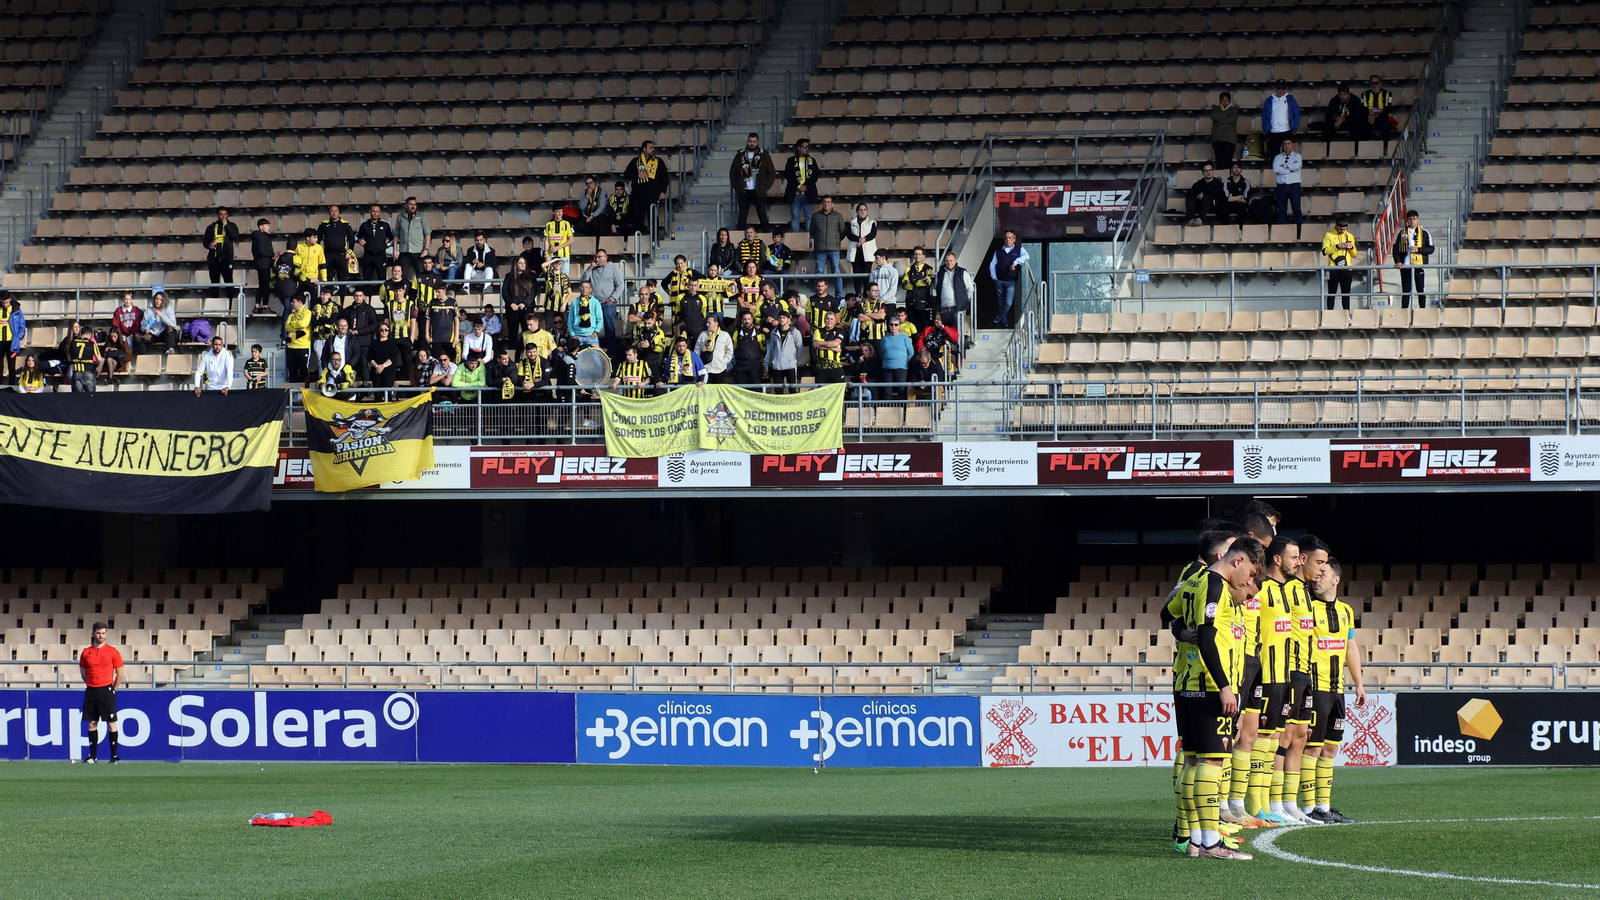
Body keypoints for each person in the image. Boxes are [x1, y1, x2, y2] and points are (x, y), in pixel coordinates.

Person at [1172, 539, 1262, 860]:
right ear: (1237, 560)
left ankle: (1195, 838)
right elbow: (1208, 637)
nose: (1248, 583)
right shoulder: (1213, 585)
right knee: (1211, 762)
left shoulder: (1194, 582)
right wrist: (1225, 685)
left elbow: (1168, 612)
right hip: (1209, 686)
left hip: (1188, 683)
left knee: (1194, 761)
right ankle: (1211, 842)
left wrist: (1182, 632)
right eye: (1249, 574)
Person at [1239, 535, 1298, 827]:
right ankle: (1254, 806)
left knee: (1272, 741)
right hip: (1263, 673)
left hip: (1283, 675)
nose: (1297, 562)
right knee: (1257, 739)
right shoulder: (1259, 590)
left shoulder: (1288, 591)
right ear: (1278, 559)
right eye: (1293, 556)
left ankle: (1264, 808)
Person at [1303, 557, 1363, 825]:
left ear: (1336, 580)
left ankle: (1323, 807)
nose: (1317, 578)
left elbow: (1351, 648)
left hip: (1338, 690)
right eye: (1316, 573)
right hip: (1315, 688)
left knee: (1329, 750)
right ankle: (1306, 808)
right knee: (1311, 749)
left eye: (1323, 573)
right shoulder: (1306, 608)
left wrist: (1359, 683)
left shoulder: (1346, 611)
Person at [78, 623, 123, 764]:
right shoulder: (86, 652)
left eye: (103, 633)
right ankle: (93, 756)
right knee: (92, 723)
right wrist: (92, 684)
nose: (101, 636)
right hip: (91, 691)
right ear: (93, 633)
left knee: (111, 723)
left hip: (106, 690)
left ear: (106, 634)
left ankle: (114, 757)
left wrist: (113, 688)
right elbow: (83, 673)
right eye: (98, 633)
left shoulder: (112, 652)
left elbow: (120, 673)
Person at [730, 132, 775, 229]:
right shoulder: (740, 155)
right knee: (742, 216)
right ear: (747, 142)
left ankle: (767, 237)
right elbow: (732, 173)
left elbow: (771, 173)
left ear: (757, 142)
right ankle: (740, 239)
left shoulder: (764, 155)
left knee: (762, 215)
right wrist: (737, 187)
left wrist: (765, 187)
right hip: (744, 190)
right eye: (750, 141)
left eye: (754, 142)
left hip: (759, 191)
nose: (752, 143)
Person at [623, 140, 670, 234]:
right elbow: (626, 175)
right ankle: (639, 241)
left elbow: (665, 178)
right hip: (637, 195)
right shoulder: (636, 161)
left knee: (653, 218)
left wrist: (663, 191)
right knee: (637, 218)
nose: (653, 150)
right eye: (650, 148)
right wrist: (637, 175)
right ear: (644, 149)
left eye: (653, 148)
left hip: (652, 194)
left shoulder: (658, 161)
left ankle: (654, 242)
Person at [1391, 210, 1434, 309]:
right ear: (1407, 220)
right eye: (1410, 219)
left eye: (1414, 219)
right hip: (1406, 266)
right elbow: (1396, 249)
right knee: (1406, 291)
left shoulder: (1424, 233)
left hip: (1419, 265)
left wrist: (1419, 250)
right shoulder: (1402, 233)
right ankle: (1404, 313)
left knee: (1420, 290)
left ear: (1417, 219)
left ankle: (1422, 311)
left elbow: (1431, 249)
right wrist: (1398, 261)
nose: (1412, 221)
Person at [583, 249, 625, 347]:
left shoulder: (614, 268)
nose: (597, 259)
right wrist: (590, 268)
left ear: (605, 257)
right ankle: (591, 348)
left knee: (609, 328)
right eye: (595, 257)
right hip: (593, 303)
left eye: (599, 257)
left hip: (607, 303)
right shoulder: (593, 268)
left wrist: (612, 299)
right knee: (591, 327)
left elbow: (620, 286)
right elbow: (584, 280)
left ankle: (611, 352)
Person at [808, 195, 846, 298]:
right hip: (820, 250)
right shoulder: (816, 216)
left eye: (829, 202)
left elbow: (843, 232)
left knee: (837, 273)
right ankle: (817, 296)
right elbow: (812, 231)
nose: (826, 204)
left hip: (834, 249)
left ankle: (838, 296)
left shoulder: (838, 216)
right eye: (825, 202)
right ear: (822, 203)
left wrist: (836, 241)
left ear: (832, 204)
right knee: (818, 274)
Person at [986, 235, 1024, 327]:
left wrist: (1016, 262)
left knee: (1008, 303)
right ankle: (1005, 322)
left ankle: (999, 317)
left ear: (1014, 239)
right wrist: (994, 276)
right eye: (1006, 238)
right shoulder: (998, 252)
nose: (1008, 239)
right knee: (1001, 303)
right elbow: (992, 264)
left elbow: (1026, 256)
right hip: (999, 281)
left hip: (1011, 282)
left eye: (1010, 238)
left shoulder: (1019, 250)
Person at [1321, 218, 1359, 310]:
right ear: (1336, 226)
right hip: (1334, 268)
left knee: (1346, 294)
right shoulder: (1328, 235)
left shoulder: (1349, 236)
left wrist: (1351, 247)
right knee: (1332, 293)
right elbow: (1325, 251)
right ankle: (1329, 314)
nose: (1343, 231)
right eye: (1341, 229)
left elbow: (1354, 255)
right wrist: (1337, 246)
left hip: (1347, 268)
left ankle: (1346, 315)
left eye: (1345, 229)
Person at [201, 206, 241, 289]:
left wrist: (227, 225)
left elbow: (234, 236)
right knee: (214, 283)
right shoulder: (211, 227)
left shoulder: (232, 226)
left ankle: (230, 301)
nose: (223, 217)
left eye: (225, 214)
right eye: (221, 214)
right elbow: (205, 241)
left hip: (226, 259)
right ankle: (215, 300)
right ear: (217, 215)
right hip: (213, 259)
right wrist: (209, 245)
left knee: (229, 282)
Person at [1261, 79, 1301, 162]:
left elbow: (1296, 113)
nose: (1281, 90)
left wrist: (1295, 127)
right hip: (1273, 131)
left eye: (1283, 88)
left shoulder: (1290, 99)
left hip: (1286, 130)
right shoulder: (1269, 100)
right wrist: (1265, 129)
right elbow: (1264, 116)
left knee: (1287, 156)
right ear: (1275, 88)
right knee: (1273, 157)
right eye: (1279, 88)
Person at [317, 204, 358, 283]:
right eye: (332, 211)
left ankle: (343, 295)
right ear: (329, 212)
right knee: (328, 277)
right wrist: (320, 253)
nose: (334, 213)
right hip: (328, 255)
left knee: (342, 278)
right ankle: (328, 295)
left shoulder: (345, 224)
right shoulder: (323, 224)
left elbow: (351, 239)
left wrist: (349, 252)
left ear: (339, 212)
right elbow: (318, 239)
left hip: (341, 255)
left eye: (336, 211)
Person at [393, 196, 432, 278]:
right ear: (406, 205)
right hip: (404, 251)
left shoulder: (422, 217)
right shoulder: (400, 217)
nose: (413, 206)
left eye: (415, 204)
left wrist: (426, 249)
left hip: (418, 251)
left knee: (421, 275)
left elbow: (427, 234)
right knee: (404, 276)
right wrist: (395, 250)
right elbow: (396, 234)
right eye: (411, 204)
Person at [356, 203, 396, 282]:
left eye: (377, 211)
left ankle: (382, 294)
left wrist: (386, 245)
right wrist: (359, 240)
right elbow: (356, 236)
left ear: (380, 212)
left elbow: (393, 239)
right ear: (370, 212)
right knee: (367, 279)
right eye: (373, 211)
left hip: (381, 255)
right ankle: (367, 294)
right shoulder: (364, 225)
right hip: (368, 255)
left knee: (382, 279)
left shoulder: (385, 224)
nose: (375, 213)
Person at [764, 311, 803, 392]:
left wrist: (794, 360)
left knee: (792, 390)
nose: (782, 320)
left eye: (784, 318)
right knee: (778, 391)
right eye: (780, 318)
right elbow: (772, 348)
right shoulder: (774, 332)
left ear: (789, 319)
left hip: (790, 366)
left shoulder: (795, 332)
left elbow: (800, 348)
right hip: (777, 367)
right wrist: (775, 360)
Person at [932, 250, 971, 331]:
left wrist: (963, 301)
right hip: (944, 308)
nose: (949, 263)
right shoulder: (940, 273)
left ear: (956, 261)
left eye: (951, 260)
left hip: (957, 308)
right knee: (944, 331)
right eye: (947, 261)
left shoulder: (962, 272)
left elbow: (970, 289)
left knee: (958, 331)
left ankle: (958, 344)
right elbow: (937, 288)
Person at [879, 311, 914, 400]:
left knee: (901, 390)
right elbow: (882, 351)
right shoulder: (885, 338)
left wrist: (904, 360)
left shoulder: (904, 337)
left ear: (899, 326)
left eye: (896, 324)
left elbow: (911, 351)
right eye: (891, 324)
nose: (893, 326)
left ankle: (902, 411)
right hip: (887, 367)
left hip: (901, 367)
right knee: (887, 391)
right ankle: (886, 411)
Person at [344, 289, 379, 379]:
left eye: (360, 296)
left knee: (364, 363)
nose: (358, 298)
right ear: (353, 297)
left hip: (364, 342)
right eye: (356, 296)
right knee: (352, 363)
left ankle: (366, 386)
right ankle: (352, 384)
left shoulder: (369, 309)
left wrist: (359, 331)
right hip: (351, 341)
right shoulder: (348, 310)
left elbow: (374, 325)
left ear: (363, 297)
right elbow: (342, 322)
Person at [1319, 84, 1367, 149]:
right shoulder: (1334, 100)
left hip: (1350, 122)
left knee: (1358, 126)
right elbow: (1328, 114)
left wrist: (1344, 119)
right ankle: (1326, 149)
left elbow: (1357, 114)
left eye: (1345, 94)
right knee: (1327, 126)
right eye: (1341, 95)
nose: (1343, 97)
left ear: (1348, 94)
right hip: (1337, 122)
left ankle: (1356, 149)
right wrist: (1336, 118)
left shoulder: (1355, 100)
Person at [1272, 139, 1304, 229]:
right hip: (1281, 186)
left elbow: (1296, 166)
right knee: (1281, 210)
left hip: (1294, 186)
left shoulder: (1297, 156)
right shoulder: (1278, 157)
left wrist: (1283, 167)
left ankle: (1300, 232)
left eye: (1289, 143)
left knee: (1297, 209)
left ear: (1292, 145)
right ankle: (1281, 233)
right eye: (1285, 144)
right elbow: (1275, 169)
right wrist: (1289, 169)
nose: (1287, 145)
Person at [1206, 91, 1242, 169]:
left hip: (1230, 139)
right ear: (1220, 101)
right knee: (1219, 162)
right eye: (1222, 100)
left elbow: (1232, 119)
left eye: (1226, 100)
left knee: (1228, 162)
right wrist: (1226, 116)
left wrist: (1219, 118)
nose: (1224, 102)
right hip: (1217, 139)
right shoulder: (1216, 109)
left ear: (1229, 100)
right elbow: (1213, 116)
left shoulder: (1233, 110)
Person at [695, 315, 733, 383]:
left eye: (709, 323)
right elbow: (697, 350)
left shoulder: (725, 335)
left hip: (719, 370)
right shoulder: (703, 335)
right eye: (707, 322)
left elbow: (729, 352)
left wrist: (722, 362)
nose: (707, 324)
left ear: (716, 323)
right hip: (705, 369)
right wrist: (699, 363)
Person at [730, 310, 765, 385]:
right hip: (740, 365)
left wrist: (761, 363)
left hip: (754, 365)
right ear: (742, 320)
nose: (747, 321)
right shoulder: (737, 333)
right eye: (745, 319)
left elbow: (764, 349)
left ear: (752, 320)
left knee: (757, 389)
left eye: (749, 319)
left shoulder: (759, 333)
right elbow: (734, 348)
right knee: (740, 389)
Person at [566, 281, 605, 348]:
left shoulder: (595, 302)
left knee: (594, 356)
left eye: (587, 287)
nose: (584, 289)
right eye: (582, 287)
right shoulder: (574, 303)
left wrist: (596, 332)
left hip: (591, 336)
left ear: (590, 289)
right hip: (577, 336)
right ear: (580, 288)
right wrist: (572, 334)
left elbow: (600, 319)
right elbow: (570, 321)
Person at [1361, 75, 1395, 151]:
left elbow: (1387, 109)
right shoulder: (1364, 94)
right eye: (1372, 83)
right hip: (1369, 118)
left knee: (1385, 123)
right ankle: (1363, 148)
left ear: (1380, 84)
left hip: (1382, 118)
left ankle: (1386, 147)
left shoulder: (1388, 94)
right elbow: (1363, 109)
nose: (1374, 85)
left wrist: (1375, 116)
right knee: (1361, 124)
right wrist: (1369, 116)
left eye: (1376, 83)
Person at [65, 320, 99, 393]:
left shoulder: (72, 343)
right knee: (91, 397)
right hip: (89, 371)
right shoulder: (92, 344)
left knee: (78, 398)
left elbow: (69, 358)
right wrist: (96, 365)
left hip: (77, 372)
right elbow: (99, 359)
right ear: (89, 335)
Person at [424, 288, 459, 360]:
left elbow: (456, 320)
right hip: (435, 337)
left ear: (445, 291)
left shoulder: (452, 302)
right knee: (436, 360)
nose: (437, 294)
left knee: (450, 360)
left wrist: (456, 336)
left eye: (438, 292)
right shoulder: (432, 303)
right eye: (436, 292)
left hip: (449, 338)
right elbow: (428, 319)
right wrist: (426, 334)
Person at [899, 248, 933, 317]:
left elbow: (927, 283)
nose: (917, 256)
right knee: (911, 323)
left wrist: (912, 282)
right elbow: (904, 285)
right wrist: (918, 283)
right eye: (916, 254)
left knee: (924, 324)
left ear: (923, 256)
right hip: (910, 301)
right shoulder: (908, 269)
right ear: (913, 256)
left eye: (919, 254)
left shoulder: (928, 268)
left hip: (923, 300)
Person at [284, 294, 311, 382]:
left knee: (303, 371)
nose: (291, 303)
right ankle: (292, 392)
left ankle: (304, 393)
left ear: (299, 302)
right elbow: (287, 326)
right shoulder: (292, 314)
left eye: (293, 301)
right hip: (291, 346)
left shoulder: (307, 313)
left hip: (303, 346)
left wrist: (293, 324)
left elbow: (303, 324)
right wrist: (296, 325)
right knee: (292, 371)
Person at [250, 219, 275, 313]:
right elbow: (261, 250)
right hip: (264, 264)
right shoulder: (261, 237)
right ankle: (265, 305)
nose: (268, 227)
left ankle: (257, 305)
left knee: (262, 285)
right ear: (261, 227)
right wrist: (272, 255)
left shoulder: (259, 237)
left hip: (261, 263)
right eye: (266, 225)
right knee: (265, 285)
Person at [846, 203, 879, 274]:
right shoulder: (851, 223)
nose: (862, 211)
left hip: (867, 252)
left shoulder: (872, 222)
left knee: (866, 275)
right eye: (860, 210)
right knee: (856, 275)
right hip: (855, 252)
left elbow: (873, 234)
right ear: (857, 211)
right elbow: (849, 235)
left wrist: (862, 240)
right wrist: (858, 239)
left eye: (864, 210)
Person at [368, 324, 400, 389]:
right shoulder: (374, 343)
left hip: (388, 371)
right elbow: (369, 356)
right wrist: (377, 367)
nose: (384, 332)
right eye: (381, 330)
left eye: (386, 330)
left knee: (387, 394)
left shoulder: (392, 343)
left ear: (389, 331)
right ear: (379, 331)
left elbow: (393, 357)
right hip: (376, 371)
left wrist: (382, 366)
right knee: (377, 394)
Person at [2, 292, 24, 384]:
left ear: (10, 300)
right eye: (3, 303)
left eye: (6, 302)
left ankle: (11, 385)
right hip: (0, 341)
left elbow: (22, 327)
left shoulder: (16, 310)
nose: (5, 305)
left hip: (12, 342)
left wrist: (18, 338)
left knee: (11, 365)